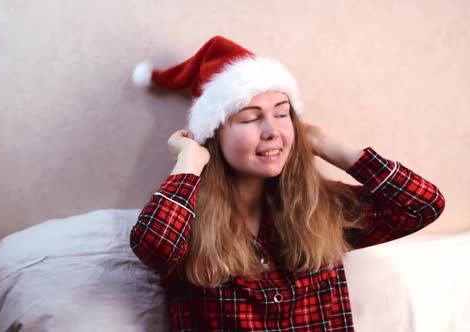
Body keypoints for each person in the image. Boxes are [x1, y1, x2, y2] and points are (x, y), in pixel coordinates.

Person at [130, 35, 445, 331]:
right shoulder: (187, 220)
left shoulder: (321, 207)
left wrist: (323, 143)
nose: (272, 131)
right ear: (214, 134)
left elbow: (422, 205)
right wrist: (190, 159)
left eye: (282, 115)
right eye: (251, 117)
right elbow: (155, 248)